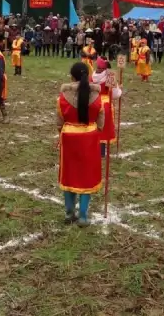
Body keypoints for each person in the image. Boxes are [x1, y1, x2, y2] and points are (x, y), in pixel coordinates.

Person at [58, 61, 104, 226]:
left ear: (72, 76)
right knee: (87, 175)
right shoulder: (97, 96)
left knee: (69, 173)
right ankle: (83, 216)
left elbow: (59, 121)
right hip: (89, 137)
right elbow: (101, 122)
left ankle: (69, 213)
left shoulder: (63, 97)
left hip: (69, 136)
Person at [92, 57, 122, 157]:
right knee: (104, 128)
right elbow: (115, 94)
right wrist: (119, 89)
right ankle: (101, 151)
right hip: (105, 104)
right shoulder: (110, 76)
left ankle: (91, 147)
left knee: (92, 125)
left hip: (92, 103)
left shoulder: (90, 76)